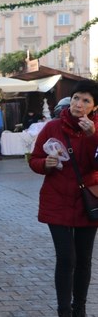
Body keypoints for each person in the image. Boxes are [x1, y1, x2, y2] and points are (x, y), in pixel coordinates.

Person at [28, 79, 98, 317]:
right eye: (77, 98)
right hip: (57, 200)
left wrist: (92, 137)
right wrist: (44, 164)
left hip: (88, 201)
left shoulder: (97, 130)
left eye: (86, 101)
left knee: (84, 260)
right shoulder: (52, 127)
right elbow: (34, 159)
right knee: (67, 257)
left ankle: (79, 309)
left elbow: (95, 164)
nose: (79, 104)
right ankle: (64, 310)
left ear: (94, 107)